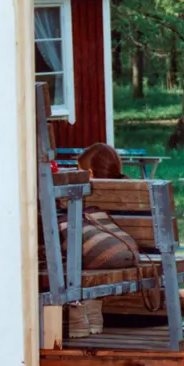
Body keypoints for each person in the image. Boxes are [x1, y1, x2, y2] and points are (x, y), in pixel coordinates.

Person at [67, 142, 126, 338]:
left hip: (102, 254)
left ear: (89, 173)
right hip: (133, 252)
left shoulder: (88, 197)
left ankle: (79, 314)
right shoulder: (132, 189)